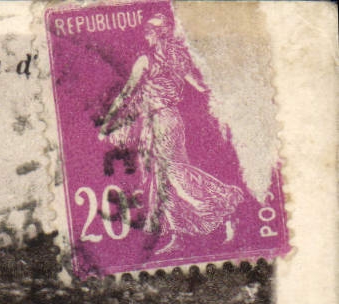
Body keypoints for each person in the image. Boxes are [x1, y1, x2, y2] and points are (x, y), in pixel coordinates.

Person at [97, 12, 243, 255]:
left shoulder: (145, 60)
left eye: (149, 32)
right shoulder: (178, 60)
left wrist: (106, 125)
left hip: (160, 122)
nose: (146, 36)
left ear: (154, 35)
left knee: (173, 174)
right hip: (171, 120)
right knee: (163, 179)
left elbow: (125, 95)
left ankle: (225, 203)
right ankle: (178, 234)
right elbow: (201, 86)